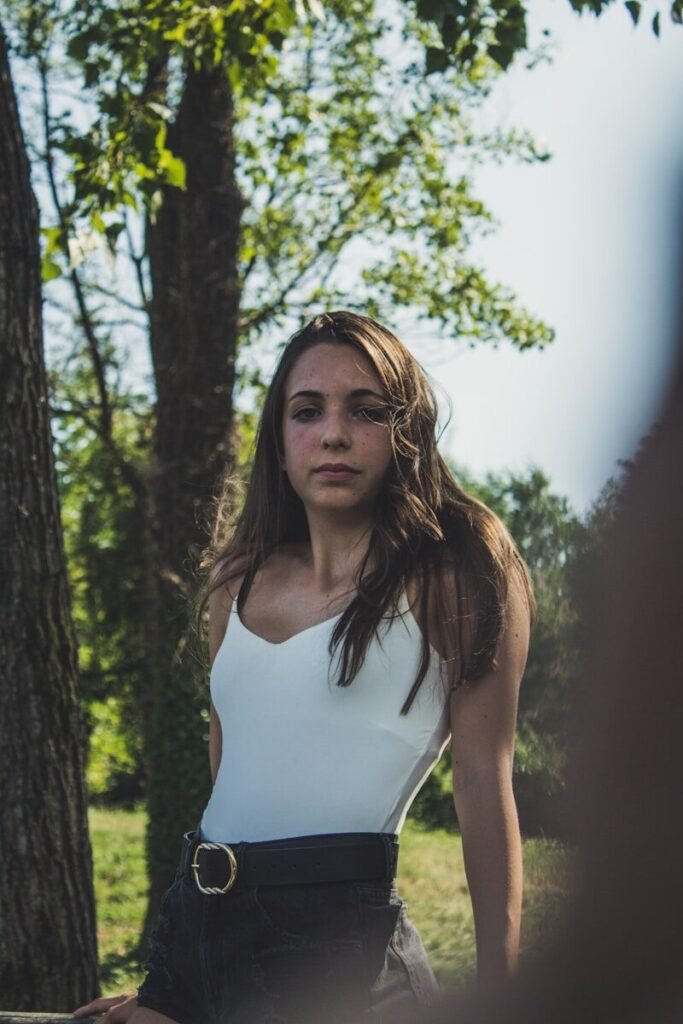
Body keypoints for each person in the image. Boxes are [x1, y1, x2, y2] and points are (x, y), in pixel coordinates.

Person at [74, 310, 533, 1024]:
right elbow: (235, 772)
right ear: (278, 439)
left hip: (337, 955)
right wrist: (178, 977)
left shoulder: (454, 573)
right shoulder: (239, 575)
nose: (334, 434)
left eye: (366, 409)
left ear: (404, 428)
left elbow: (481, 780)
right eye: (307, 410)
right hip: (194, 927)